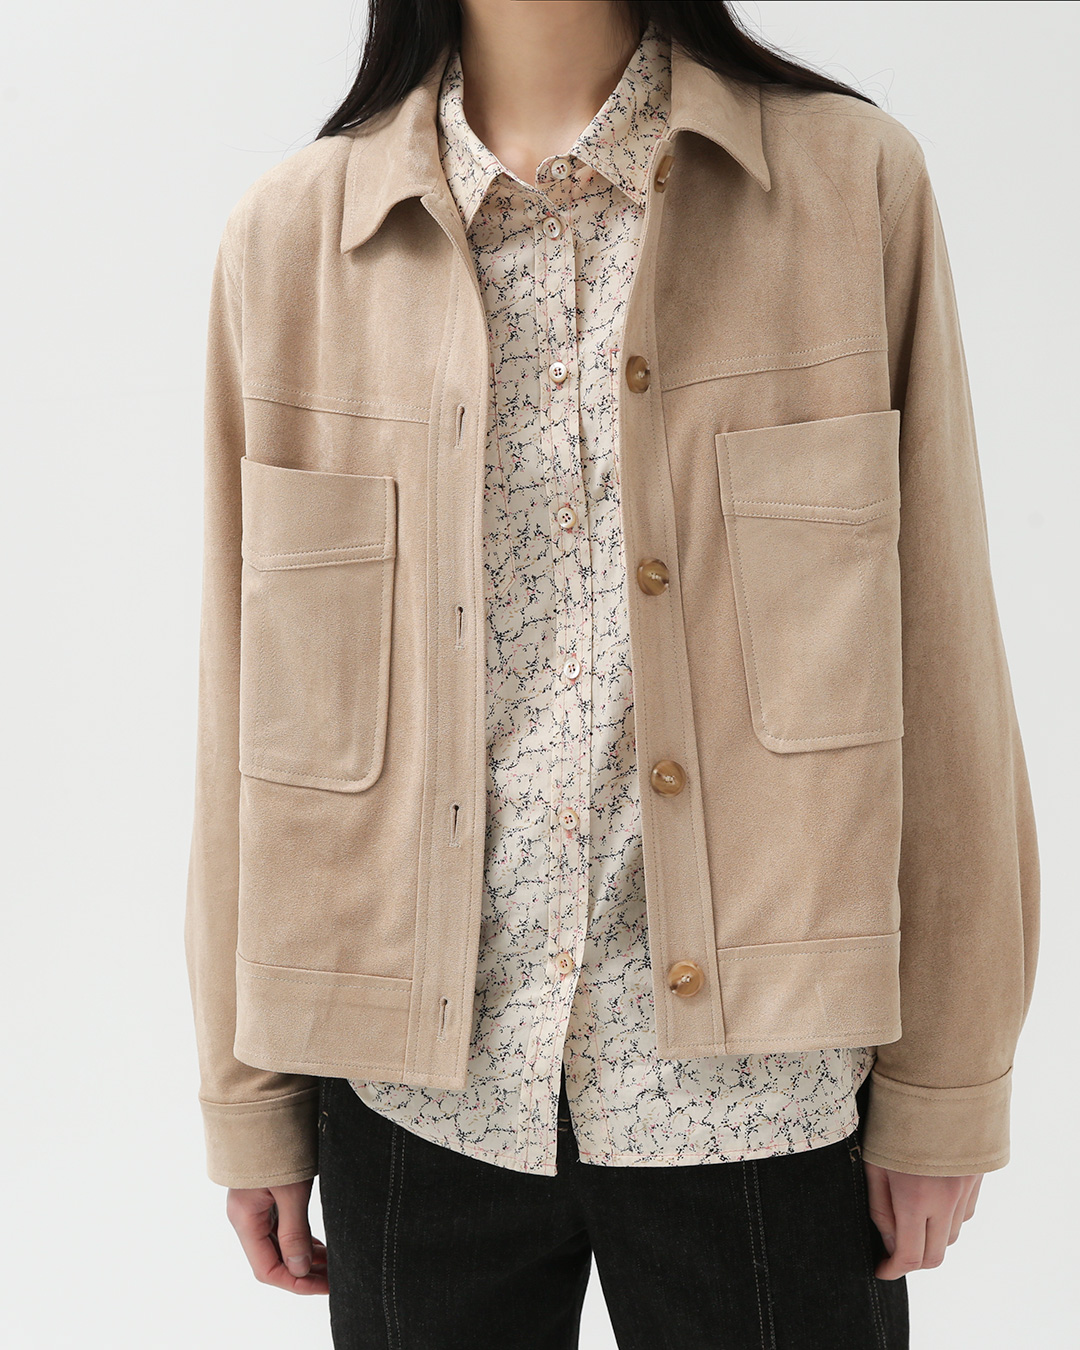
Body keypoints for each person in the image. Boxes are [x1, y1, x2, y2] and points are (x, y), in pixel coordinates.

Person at [186, 2, 1040, 1346]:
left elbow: (943, 668)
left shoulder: (847, 190)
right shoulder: (293, 245)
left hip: (762, 1098)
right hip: (418, 1104)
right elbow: (249, 707)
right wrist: (252, 1099)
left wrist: (948, 1085)